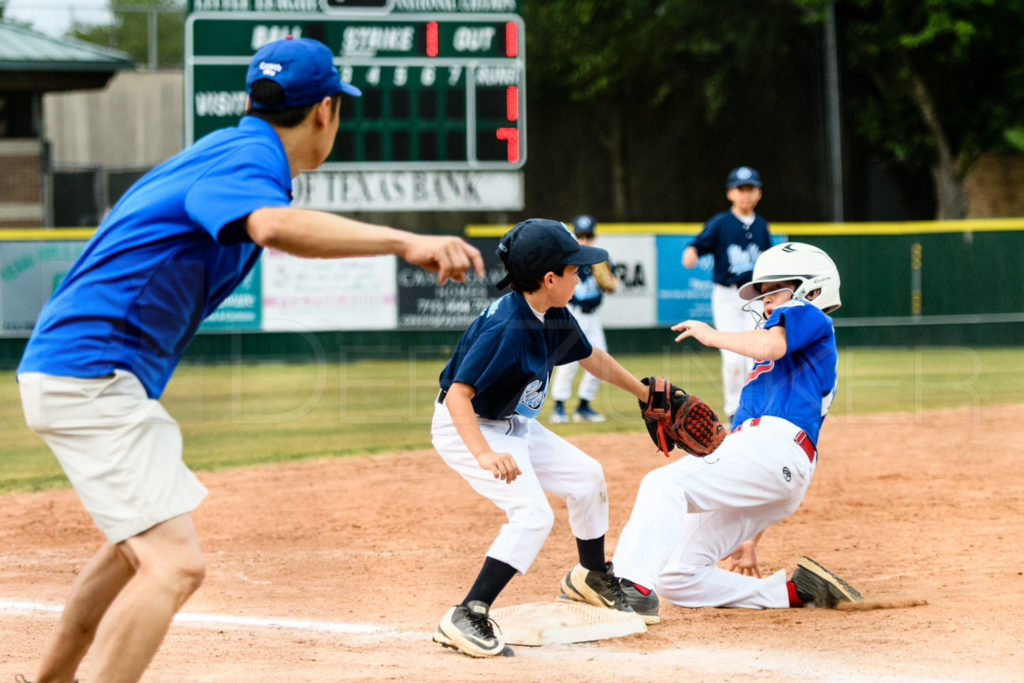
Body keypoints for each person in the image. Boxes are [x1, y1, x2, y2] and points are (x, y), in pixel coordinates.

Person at [15, 37, 482, 683]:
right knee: (175, 565)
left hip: (85, 369)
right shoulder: (249, 158)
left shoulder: (228, 150)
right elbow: (271, 226)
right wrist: (405, 239)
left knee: (133, 549)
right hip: (91, 371)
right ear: (326, 111)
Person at [430, 218, 655, 659]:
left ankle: (591, 575)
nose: (580, 275)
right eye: (574, 270)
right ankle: (467, 612)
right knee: (533, 515)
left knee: (588, 476)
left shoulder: (552, 312)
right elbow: (458, 395)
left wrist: (645, 395)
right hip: (471, 426)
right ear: (549, 278)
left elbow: (591, 357)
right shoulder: (506, 328)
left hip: (514, 422)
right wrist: (484, 453)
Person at [610, 242, 864, 622]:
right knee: (676, 577)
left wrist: (714, 336)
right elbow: (748, 457)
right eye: (763, 295)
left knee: (663, 485)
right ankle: (796, 592)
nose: (766, 302)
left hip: (777, 447)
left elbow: (771, 345)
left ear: (812, 289)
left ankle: (627, 586)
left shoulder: (809, 315)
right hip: (772, 463)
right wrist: (749, 535)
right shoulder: (768, 368)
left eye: (774, 290)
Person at [682, 166, 772, 428]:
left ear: (759, 193)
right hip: (727, 297)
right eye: (740, 189)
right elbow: (697, 245)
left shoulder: (762, 226)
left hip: (755, 297)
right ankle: (734, 410)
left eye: (750, 189)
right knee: (733, 357)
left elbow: (768, 262)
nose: (745, 194)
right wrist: (692, 252)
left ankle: (753, 408)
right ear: (731, 193)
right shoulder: (720, 222)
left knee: (754, 356)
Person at [550, 214, 619, 424]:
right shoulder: (567, 259)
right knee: (568, 362)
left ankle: (583, 406)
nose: (584, 239)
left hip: (593, 316)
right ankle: (559, 407)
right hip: (572, 313)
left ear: (594, 236)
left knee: (602, 362)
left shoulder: (600, 258)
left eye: (588, 235)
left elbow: (613, 286)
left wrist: (606, 278)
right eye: (580, 235)